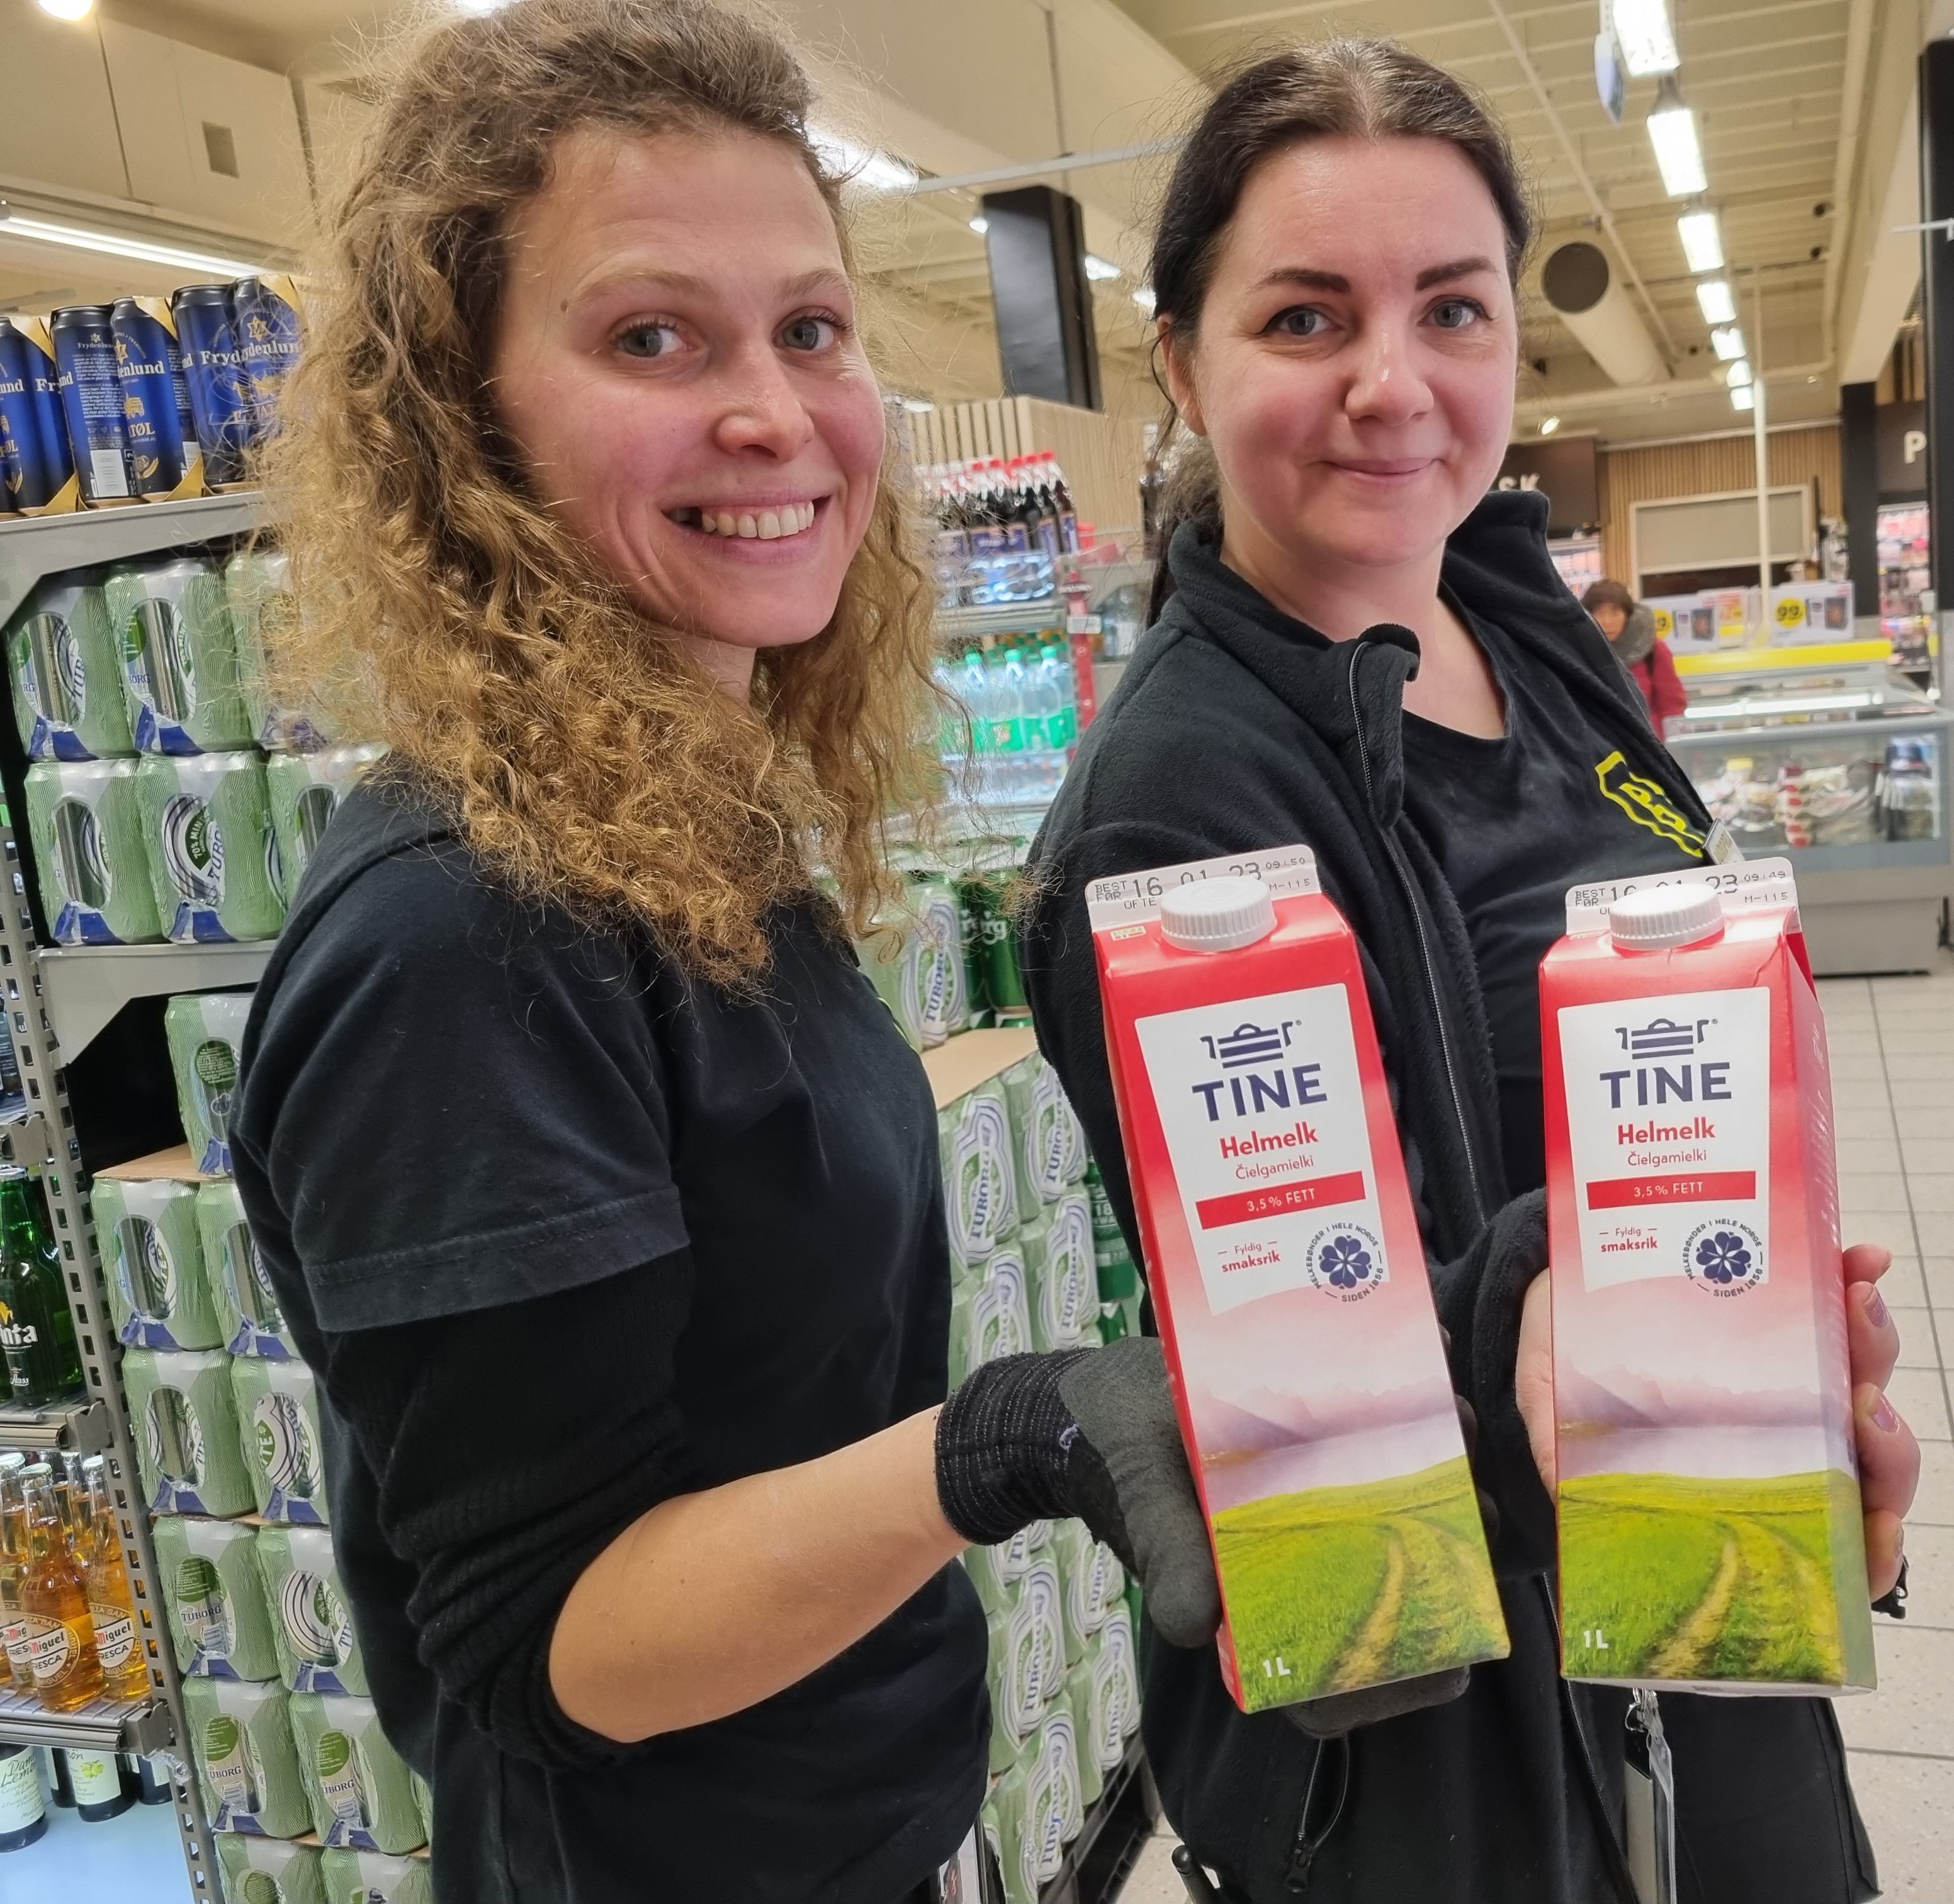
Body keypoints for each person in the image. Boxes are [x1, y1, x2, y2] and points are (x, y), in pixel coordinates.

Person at [229, 5, 1215, 1900]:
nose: (773, 411)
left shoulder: (683, 828)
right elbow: (550, 1642)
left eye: (811, 330)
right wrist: (988, 1448)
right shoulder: (466, 934)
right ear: (464, 412)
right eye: (651, 338)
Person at [1023, 40, 1918, 1904]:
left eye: (1452, 308)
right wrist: (1581, 1312)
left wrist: (1776, 1392)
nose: (1395, 381)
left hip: (1699, 1590)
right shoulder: (1179, 807)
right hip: (1457, 1756)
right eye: (1305, 316)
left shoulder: (1510, 609)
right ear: (1181, 362)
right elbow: (1300, 1372)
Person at [1581, 577, 1685, 730]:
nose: (1608, 621)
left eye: (1615, 613)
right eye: (1601, 613)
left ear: (1627, 615)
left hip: (1646, 738)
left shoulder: (1652, 649)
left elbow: (1672, 705)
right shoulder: (1580, 652)